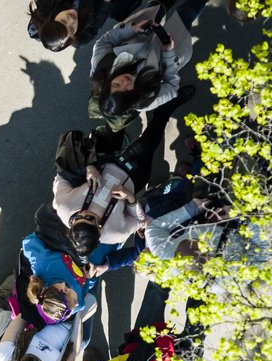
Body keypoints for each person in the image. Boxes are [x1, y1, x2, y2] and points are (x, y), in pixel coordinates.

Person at [54, 86, 192, 264]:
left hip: (103, 159)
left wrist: (89, 166)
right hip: (133, 176)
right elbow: (140, 220)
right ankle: (167, 107)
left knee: (116, 124)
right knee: (150, 140)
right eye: (91, 219)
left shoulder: (63, 206)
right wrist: (131, 199)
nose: (85, 213)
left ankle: (134, 91)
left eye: (78, 217)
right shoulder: (115, 234)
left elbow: (63, 176)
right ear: (100, 229)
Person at [89, 2, 205, 131]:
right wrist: (168, 53)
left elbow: (104, 42)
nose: (125, 82)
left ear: (107, 85)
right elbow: (172, 87)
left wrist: (130, 30)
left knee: (159, 5)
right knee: (186, 13)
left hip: (141, 28)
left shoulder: (102, 68)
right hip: (168, 47)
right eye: (127, 91)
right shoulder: (145, 101)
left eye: (116, 85)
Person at [27, 0, 141, 52]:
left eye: (63, 21)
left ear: (52, 19)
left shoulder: (49, 3)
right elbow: (100, 18)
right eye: (72, 29)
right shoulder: (81, 39)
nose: (71, 20)